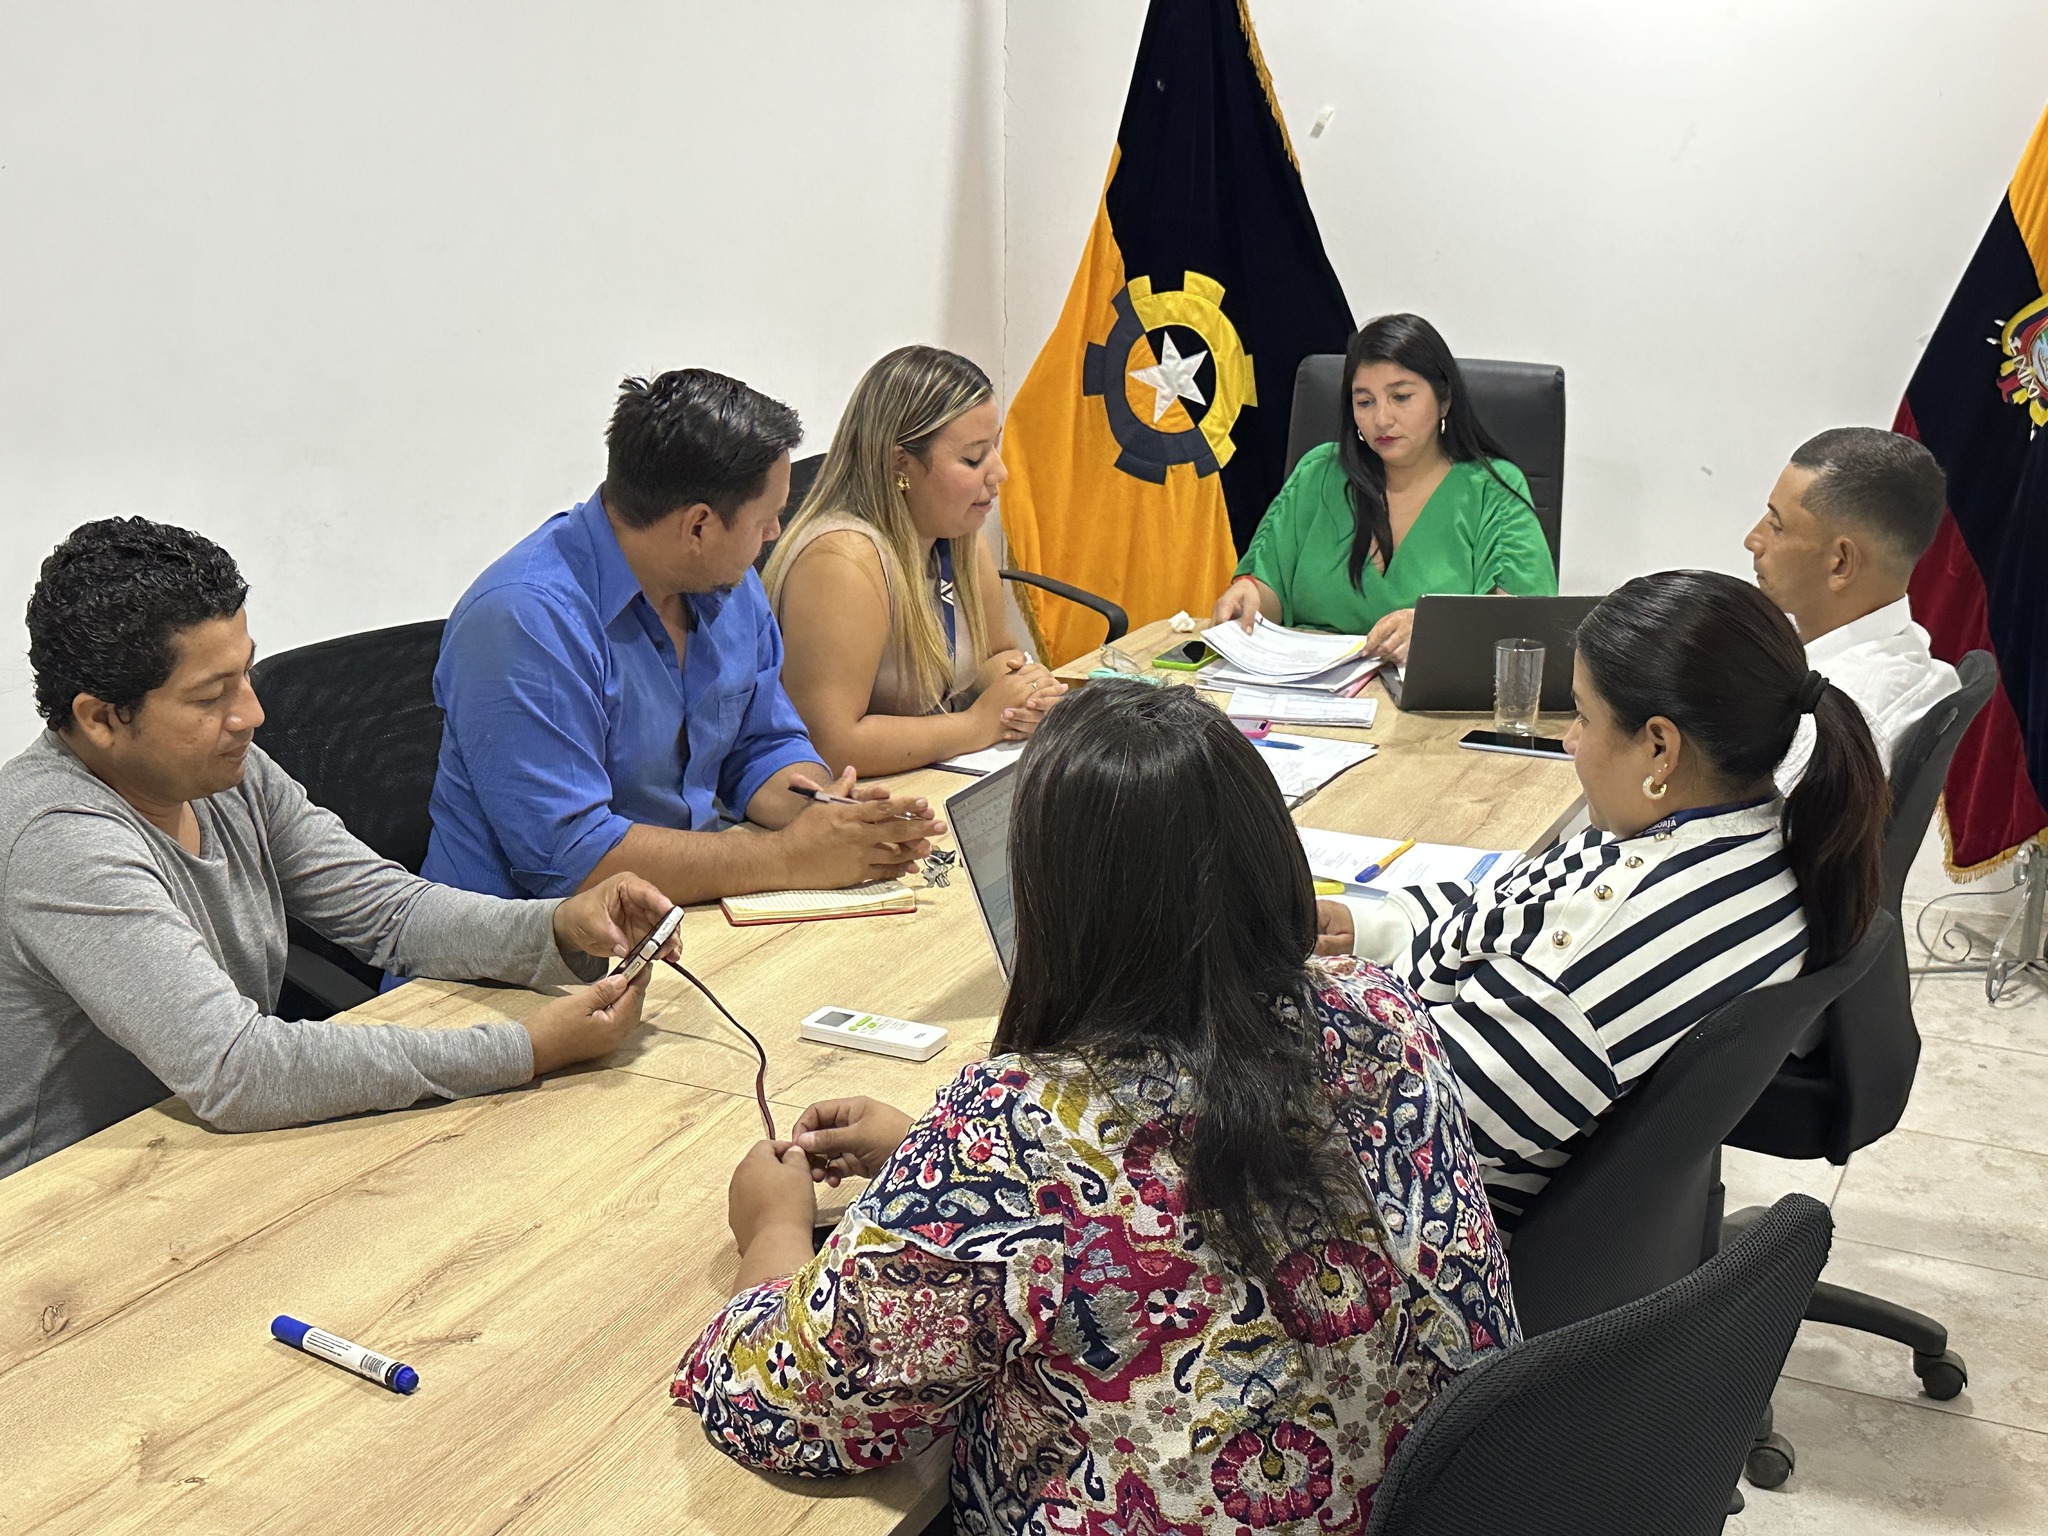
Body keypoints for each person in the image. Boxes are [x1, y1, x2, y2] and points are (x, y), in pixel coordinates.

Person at [673, 682, 1517, 1533]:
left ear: (1055, 905)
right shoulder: (1381, 1013)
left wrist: (773, 1227)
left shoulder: (1020, 1136)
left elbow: (780, 1404)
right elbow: (1153, 1192)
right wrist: (934, 1175)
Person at [0, 519, 681, 1175]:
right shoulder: (59, 840)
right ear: (100, 718)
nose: (251, 714)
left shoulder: (224, 774)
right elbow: (238, 1071)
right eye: (211, 696)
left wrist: (560, 926)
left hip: (208, 1150)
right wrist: (525, 1048)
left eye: (245, 674)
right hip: (69, 1202)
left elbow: (391, 912)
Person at [1316, 570, 1887, 1230]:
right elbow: (1516, 901)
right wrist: (1372, 927)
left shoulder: (1578, 971)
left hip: (1441, 1225)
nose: (1570, 741)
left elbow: (1394, 1121)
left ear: (1660, 747)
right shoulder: (1760, 838)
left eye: (1584, 717)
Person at [420, 369, 944, 911]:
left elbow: (762, 744)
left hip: (678, 913)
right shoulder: (524, 620)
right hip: (514, 949)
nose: (775, 534)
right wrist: (790, 857)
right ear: (699, 527)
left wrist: (820, 810)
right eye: (767, 519)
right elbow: (572, 860)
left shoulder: (724, 580)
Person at [762, 345, 1067, 776]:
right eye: (973, 457)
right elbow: (830, 744)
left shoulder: (959, 534)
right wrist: (978, 724)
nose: (999, 473)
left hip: (929, 778)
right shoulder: (842, 563)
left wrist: (1024, 689)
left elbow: (995, 656)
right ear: (900, 463)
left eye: (994, 448)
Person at [1211, 313, 1556, 662]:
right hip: (1311, 684)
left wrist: (1437, 630)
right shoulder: (1319, 473)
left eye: (1401, 397)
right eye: (1365, 402)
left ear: (1444, 400)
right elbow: (1270, 585)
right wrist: (1249, 598)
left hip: (1431, 690)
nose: (1382, 419)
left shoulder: (1491, 489)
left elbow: (1524, 625)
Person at [1745, 426, 1960, 791]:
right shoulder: (1909, 647)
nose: (1753, 540)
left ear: (1841, 563)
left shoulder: (1834, 725)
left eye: (1777, 526)